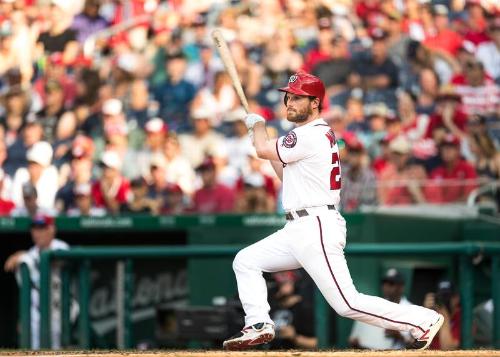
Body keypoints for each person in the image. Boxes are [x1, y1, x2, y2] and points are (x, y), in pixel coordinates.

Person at [222, 71, 443, 351]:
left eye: (297, 98)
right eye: (288, 97)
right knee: (246, 261)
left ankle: (423, 319)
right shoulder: (308, 136)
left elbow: (264, 149)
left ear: (315, 103)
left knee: (347, 303)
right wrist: (261, 136)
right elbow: (280, 170)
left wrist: (258, 128)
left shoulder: (311, 133)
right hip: (298, 227)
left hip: (316, 226)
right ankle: (259, 324)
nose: (289, 102)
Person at [3, 214, 76, 349]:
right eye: (34, 229)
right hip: (35, 314)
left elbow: (54, 259)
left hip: (59, 311)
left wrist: (23, 255)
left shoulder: (61, 247)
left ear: (51, 229)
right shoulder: (31, 252)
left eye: (42, 228)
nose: (37, 233)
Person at [349, 268, 413, 349]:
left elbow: (418, 344)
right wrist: (357, 342)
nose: (386, 287)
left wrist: (399, 336)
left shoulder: (411, 309)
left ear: (401, 287)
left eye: (391, 283)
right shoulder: (376, 305)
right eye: (385, 283)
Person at [423, 280, 461, 350]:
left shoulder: (463, 318)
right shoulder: (432, 315)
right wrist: (425, 314)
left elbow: (448, 350)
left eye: (447, 296)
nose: (444, 300)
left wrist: (444, 320)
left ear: (456, 298)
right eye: (441, 297)